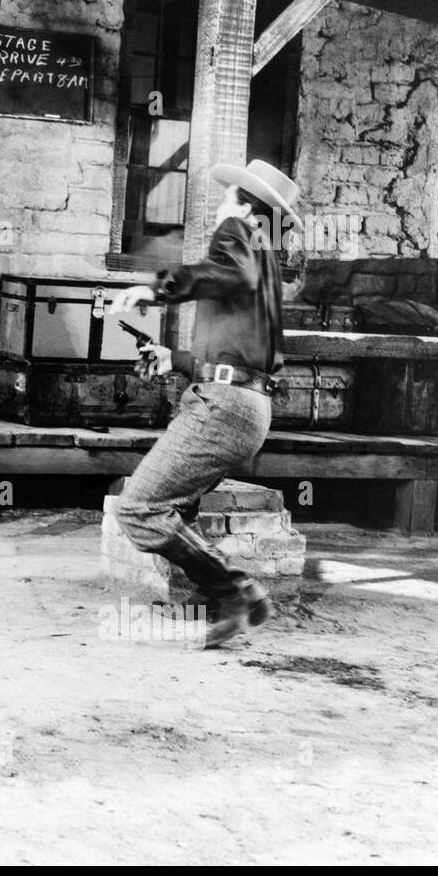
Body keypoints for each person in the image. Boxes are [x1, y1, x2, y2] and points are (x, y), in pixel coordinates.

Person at [106, 159, 296, 647]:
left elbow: (221, 271)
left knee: (139, 508)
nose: (218, 207)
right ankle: (221, 604)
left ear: (240, 201)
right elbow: (241, 353)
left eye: (225, 196)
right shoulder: (266, 260)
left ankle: (234, 590)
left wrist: (152, 287)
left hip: (224, 408)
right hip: (245, 405)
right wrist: (177, 358)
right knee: (175, 507)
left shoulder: (238, 233)